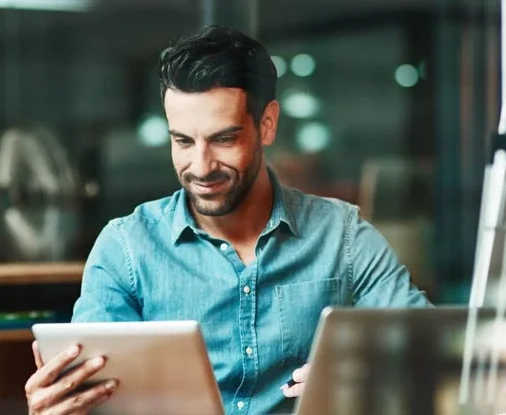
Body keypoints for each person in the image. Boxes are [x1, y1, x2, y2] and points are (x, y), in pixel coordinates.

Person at [24, 25, 432, 415]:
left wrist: (371, 380)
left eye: (223, 139)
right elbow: (93, 395)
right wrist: (58, 408)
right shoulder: (126, 248)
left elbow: (435, 352)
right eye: (182, 141)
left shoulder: (342, 236)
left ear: (267, 124)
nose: (200, 166)